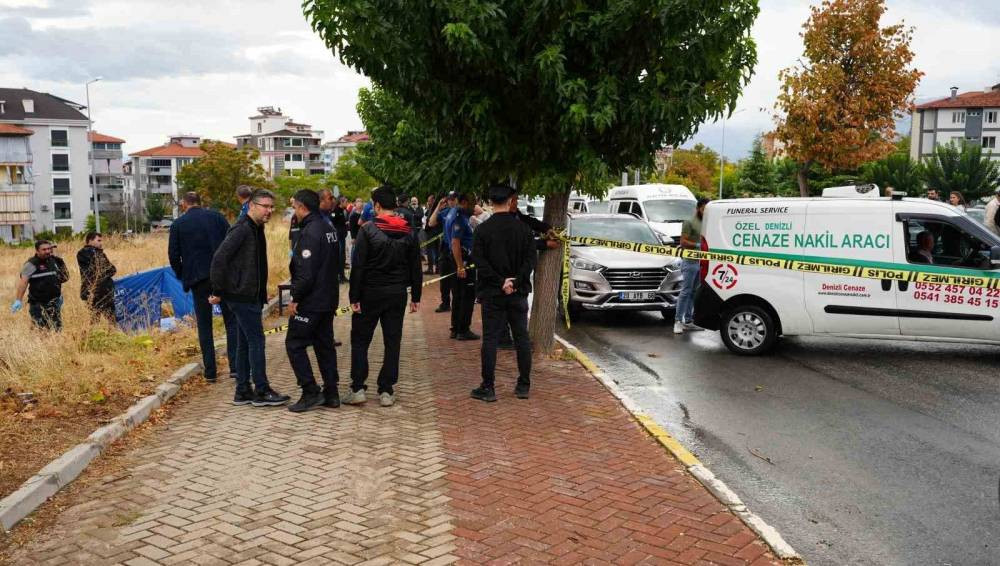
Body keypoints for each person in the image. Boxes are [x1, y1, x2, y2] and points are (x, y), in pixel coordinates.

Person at [210, 189, 290, 407]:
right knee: (257, 341)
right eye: (265, 206)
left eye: (272, 207)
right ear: (252, 205)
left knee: (245, 342)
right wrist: (218, 291)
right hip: (241, 295)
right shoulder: (242, 229)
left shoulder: (256, 228)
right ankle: (261, 390)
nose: (269, 211)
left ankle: (243, 390)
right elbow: (219, 259)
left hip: (249, 294)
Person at [348, 185, 422, 407]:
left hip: (369, 293)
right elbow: (416, 266)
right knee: (392, 341)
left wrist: (354, 297)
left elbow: (358, 266)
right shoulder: (408, 231)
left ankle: (358, 387)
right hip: (397, 294)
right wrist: (416, 296)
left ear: (376, 205)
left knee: (360, 340)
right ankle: (386, 389)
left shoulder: (368, 230)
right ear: (396, 205)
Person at [471, 184, 537, 402]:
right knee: (521, 338)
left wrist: (500, 282)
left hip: (492, 292)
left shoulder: (482, 230)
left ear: (490, 202)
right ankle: (523, 385)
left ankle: (488, 387)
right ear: (511, 202)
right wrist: (515, 281)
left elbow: (480, 262)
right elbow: (530, 261)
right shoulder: (524, 230)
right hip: (518, 293)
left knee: (490, 339)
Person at [168, 192, 236, 383]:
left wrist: (184, 274)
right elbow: (232, 243)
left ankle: (211, 371)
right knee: (231, 321)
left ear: (184, 204)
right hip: (222, 276)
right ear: (200, 202)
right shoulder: (217, 218)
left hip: (198, 279)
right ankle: (235, 367)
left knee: (205, 325)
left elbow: (173, 256)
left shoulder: (178, 225)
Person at [285, 190, 342, 413]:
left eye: (294, 207)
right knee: (324, 344)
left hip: (312, 300)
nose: (294, 212)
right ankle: (331, 392)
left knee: (295, 343)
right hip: (328, 297)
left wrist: (295, 298)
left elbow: (306, 273)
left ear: (301, 207)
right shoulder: (328, 227)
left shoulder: (310, 232)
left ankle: (310, 391)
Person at [11, 240, 69, 330]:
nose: (47, 251)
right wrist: (18, 300)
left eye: (49, 249)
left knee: (57, 330)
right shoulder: (31, 264)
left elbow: (64, 278)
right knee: (41, 330)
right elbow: (23, 282)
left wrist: (59, 296)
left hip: (54, 303)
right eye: (44, 249)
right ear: (37, 251)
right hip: (38, 304)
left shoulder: (54, 261)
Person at [674, 198, 709, 334]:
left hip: (700, 262)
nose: (705, 212)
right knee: (686, 291)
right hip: (689, 261)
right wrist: (697, 245)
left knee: (694, 292)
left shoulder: (705, 222)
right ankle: (678, 321)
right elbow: (683, 242)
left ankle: (688, 321)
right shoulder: (689, 221)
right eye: (703, 209)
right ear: (698, 208)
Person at [449, 193, 479, 340]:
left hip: (460, 258)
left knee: (458, 295)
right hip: (463, 259)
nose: (476, 206)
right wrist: (460, 266)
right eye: (473, 202)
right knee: (466, 296)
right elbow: (455, 242)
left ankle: (456, 328)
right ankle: (463, 329)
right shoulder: (459, 217)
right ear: (465, 202)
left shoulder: (456, 214)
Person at [77, 232, 117, 322]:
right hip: (93, 291)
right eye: (98, 240)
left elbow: (113, 269)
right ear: (90, 240)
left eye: (101, 241)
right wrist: (104, 271)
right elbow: (95, 271)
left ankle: (112, 335)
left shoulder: (100, 253)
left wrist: (104, 271)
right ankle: (95, 335)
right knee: (95, 320)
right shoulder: (83, 253)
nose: (101, 243)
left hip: (105, 291)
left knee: (112, 319)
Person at [428, 192, 458, 311]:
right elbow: (431, 223)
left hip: (458, 248)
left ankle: (457, 304)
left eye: (453, 199)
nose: (451, 201)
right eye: (448, 199)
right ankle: (445, 303)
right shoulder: (445, 212)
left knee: (456, 279)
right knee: (444, 278)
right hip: (446, 248)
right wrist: (438, 207)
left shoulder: (461, 212)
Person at [320, 189, 349, 283]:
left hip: (341, 238)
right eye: (346, 202)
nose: (347, 203)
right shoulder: (334, 211)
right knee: (339, 257)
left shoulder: (342, 211)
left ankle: (342, 275)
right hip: (337, 238)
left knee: (342, 257)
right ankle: (339, 276)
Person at [423, 195, 440, 274]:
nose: (428, 202)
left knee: (431, 250)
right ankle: (437, 267)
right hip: (434, 232)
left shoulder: (436, 209)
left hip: (433, 231)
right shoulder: (431, 208)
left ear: (433, 200)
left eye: (429, 201)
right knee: (436, 250)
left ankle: (431, 268)